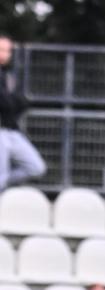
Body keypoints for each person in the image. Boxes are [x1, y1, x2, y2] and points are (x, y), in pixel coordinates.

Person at [0, 34, 46, 191]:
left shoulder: (10, 76)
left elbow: (22, 101)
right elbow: (6, 102)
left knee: (36, 167)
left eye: (7, 50)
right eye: (1, 50)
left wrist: (11, 101)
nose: (4, 54)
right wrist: (12, 100)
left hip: (12, 131)